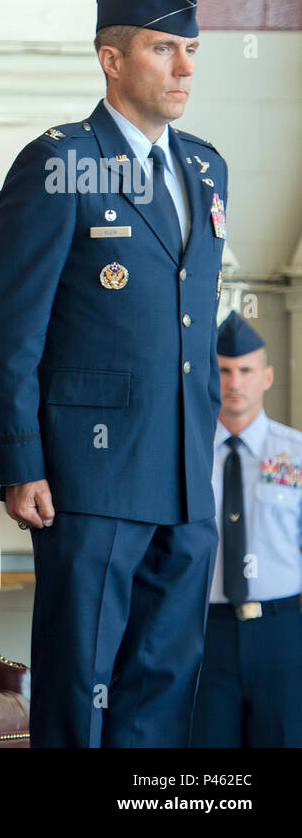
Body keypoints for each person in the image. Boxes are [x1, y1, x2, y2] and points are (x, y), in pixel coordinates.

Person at [0, 0, 226, 747]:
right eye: (162, 48)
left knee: (164, 679)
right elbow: (5, 325)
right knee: (81, 683)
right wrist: (19, 459)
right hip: (91, 475)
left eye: (191, 49)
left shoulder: (206, 166)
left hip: (183, 473)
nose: (184, 67)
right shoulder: (61, 163)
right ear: (112, 60)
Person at [190, 311, 302, 747]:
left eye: (246, 370)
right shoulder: (188, 457)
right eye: (223, 370)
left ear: (267, 376)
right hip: (204, 632)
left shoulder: (294, 456)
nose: (235, 381)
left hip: (283, 631)